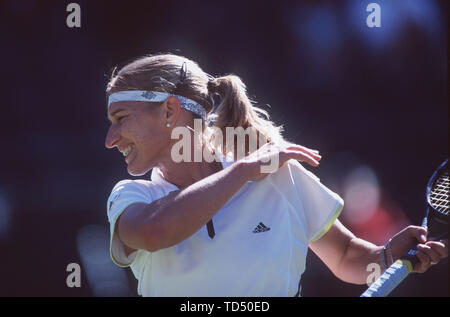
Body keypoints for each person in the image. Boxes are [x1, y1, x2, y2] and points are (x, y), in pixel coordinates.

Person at [104, 53, 448, 297]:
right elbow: (153, 233)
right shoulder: (132, 197)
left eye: (120, 118)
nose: (110, 139)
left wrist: (386, 257)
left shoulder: (279, 176)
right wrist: (243, 170)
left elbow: (345, 256)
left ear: (169, 110)